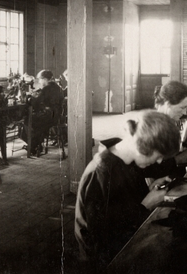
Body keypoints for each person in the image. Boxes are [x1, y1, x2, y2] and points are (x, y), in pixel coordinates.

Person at [74, 110, 180, 267]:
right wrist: (146, 205)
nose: (159, 162)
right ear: (143, 147)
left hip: (125, 245)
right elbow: (104, 236)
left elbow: (123, 208)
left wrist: (148, 192)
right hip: (106, 262)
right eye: (158, 156)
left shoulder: (128, 162)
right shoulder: (102, 172)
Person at [23, 70, 64, 157]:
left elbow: (36, 103)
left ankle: (33, 145)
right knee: (34, 120)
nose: (40, 82)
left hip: (49, 117)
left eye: (40, 80)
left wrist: (30, 97)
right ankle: (36, 144)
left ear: (45, 79)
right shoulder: (58, 87)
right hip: (57, 117)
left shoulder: (46, 88)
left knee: (27, 121)